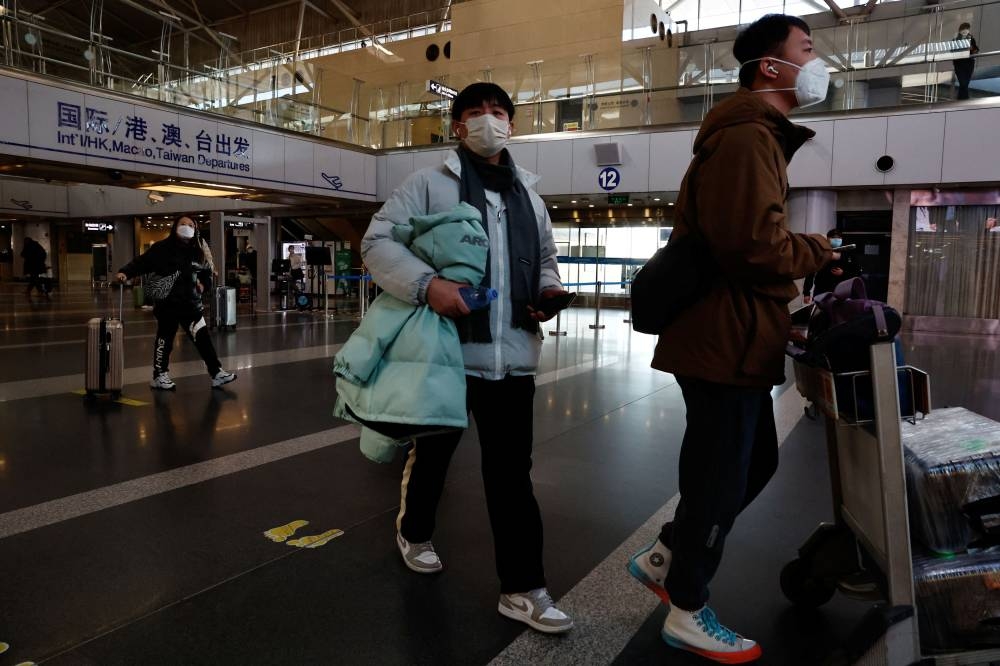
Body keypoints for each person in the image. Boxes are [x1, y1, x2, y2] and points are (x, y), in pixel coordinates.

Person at [626, 14, 839, 663]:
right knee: (720, 474)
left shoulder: (756, 135)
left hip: (735, 333)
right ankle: (687, 607)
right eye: (807, 49)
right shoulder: (748, 136)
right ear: (770, 68)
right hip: (724, 335)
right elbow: (751, 244)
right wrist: (817, 249)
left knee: (749, 464)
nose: (817, 60)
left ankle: (668, 555)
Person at [362, 82, 573, 634]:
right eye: (474, 114)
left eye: (498, 113)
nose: (487, 121)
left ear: (513, 124)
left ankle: (523, 588)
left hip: (513, 358)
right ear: (456, 127)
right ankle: (414, 530)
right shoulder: (430, 184)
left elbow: (545, 257)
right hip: (447, 354)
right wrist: (427, 285)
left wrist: (547, 290)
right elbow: (377, 241)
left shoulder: (530, 194)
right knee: (432, 459)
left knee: (512, 476)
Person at [115, 216, 236, 390]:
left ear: (195, 229)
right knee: (165, 340)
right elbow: (141, 263)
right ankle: (159, 375)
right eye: (183, 224)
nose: (186, 227)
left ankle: (216, 373)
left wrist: (204, 285)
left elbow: (206, 272)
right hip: (167, 305)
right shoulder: (161, 248)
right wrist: (125, 273)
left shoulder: (198, 250)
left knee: (203, 339)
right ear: (175, 227)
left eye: (190, 225)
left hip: (191, 304)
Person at [803, 229, 861, 303]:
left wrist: (843, 273)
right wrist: (806, 293)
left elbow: (857, 272)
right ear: (827, 239)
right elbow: (810, 273)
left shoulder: (848, 254)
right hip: (822, 291)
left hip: (842, 292)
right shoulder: (821, 253)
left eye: (839, 238)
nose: (837, 239)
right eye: (833, 237)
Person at [953, 22, 979, 101]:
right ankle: (964, 100)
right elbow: (952, 51)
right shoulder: (955, 39)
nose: (965, 31)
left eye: (967, 29)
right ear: (960, 30)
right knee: (963, 83)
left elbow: (976, 50)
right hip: (959, 64)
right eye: (964, 29)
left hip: (969, 64)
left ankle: (961, 100)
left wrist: (971, 48)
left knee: (965, 83)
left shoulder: (971, 39)